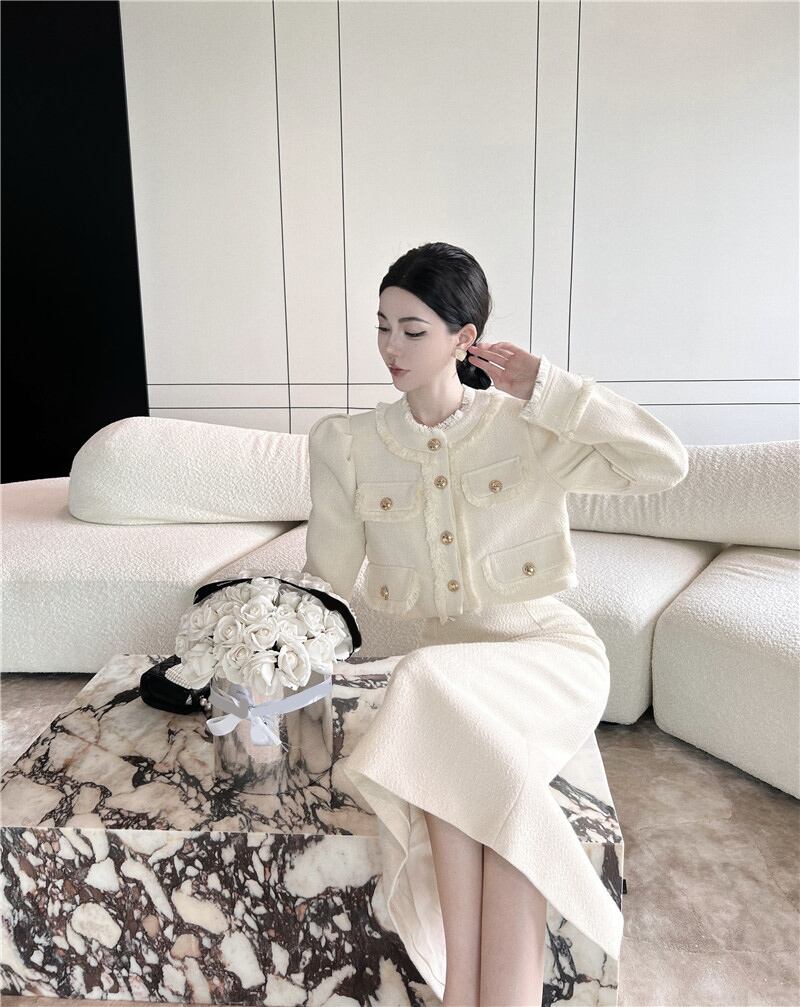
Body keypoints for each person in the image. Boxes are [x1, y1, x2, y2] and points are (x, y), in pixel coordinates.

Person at [304, 241, 689, 1006]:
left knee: (428, 695)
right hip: (453, 685)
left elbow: (663, 463)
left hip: (547, 656)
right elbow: (327, 584)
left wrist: (551, 387)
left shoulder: (526, 425)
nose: (390, 347)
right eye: (381, 325)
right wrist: (274, 647)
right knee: (469, 777)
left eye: (413, 329)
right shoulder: (348, 444)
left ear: (465, 337)